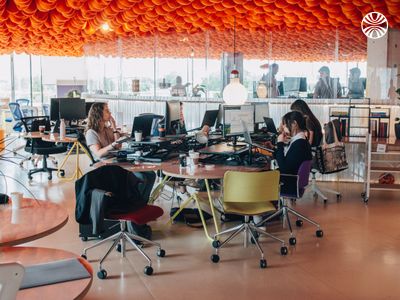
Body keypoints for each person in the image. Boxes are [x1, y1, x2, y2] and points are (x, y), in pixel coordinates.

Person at [85, 102, 156, 202]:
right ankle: (133, 203)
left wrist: (114, 128)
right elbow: (99, 153)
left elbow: (118, 146)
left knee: (151, 174)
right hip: (105, 165)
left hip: (116, 161)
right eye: (107, 110)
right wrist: (113, 144)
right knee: (141, 177)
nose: (110, 112)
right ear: (98, 114)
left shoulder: (106, 129)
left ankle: (142, 203)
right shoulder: (91, 133)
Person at [275, 111, 312, 177]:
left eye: (285, 124)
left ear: (294, 123)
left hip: (289, 181)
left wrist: (280, 143)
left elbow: (284, 168)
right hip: (291, 177)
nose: (284, 127)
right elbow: (286, 159)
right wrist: (273, 149)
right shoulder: (300, 139)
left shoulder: (299, 144)